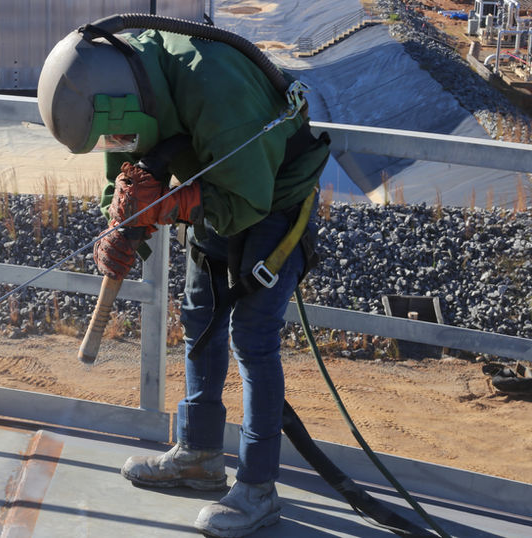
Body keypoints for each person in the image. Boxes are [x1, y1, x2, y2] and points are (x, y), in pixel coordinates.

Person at [38, 20, 330, 538]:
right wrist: (122, 222)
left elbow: (246, 202)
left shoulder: (214, 89)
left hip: (271, 200)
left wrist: (170, 206)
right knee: (200, 319)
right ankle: (198, 456)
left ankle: (258, 488)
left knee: (253, 340)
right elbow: (129, 168)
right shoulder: (123, 81)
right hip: (216, 183)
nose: (119, 139)